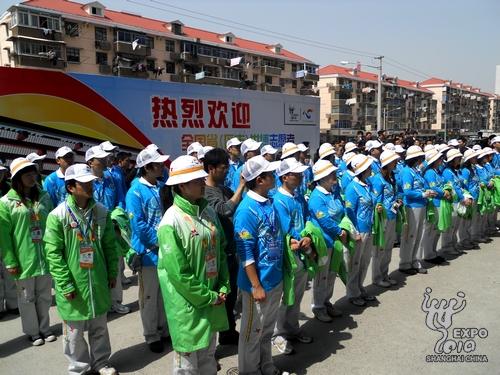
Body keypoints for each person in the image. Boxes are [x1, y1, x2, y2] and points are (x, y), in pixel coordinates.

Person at [157, 155, 230, 374]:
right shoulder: (171, 222)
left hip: (212, 297)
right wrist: (208, 296)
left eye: (201, 178)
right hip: (188, 305)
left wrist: (223, 284)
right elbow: (179, 274)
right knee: (187, 365)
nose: (202, 183)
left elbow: (221, 251)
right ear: (181, 186)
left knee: (208, 356)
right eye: (196, 180)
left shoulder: (207, 212)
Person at [44, 164, 118, 375]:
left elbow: (110, 246)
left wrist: (112, 272)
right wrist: (64, 283)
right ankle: (79, 368)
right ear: (70, 187)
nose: (89, 186)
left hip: (97, 279)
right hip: (73, 282)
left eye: (90, 182)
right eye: (83, 183)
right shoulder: (57, 216)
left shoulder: (102, 211)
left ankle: (101, 363)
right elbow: (54, 254)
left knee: (100, 327)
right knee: (74, 332)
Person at [233, 155, 287, 375]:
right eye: (270, 174)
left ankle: (267, 367)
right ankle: (249, 371)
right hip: (258, 283)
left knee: (266, 331)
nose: (275, 176)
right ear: (260, 180)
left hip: (274, 277)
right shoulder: (246, 210)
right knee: (251, 333)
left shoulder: (269, 201)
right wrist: (255, 285)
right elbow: (245, 252)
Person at [0, 158, 55, 346]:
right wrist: (10, 260)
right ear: (17, 178)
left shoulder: (45, 196)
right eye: (27, 175)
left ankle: (45, 328)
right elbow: (4, 237)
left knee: (45, 296)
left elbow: (53, 225)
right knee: (26, 298)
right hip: (23, 260)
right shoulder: (6, 202)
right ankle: (33, 332)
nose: (32, 178)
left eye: (34, 174)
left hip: (46, 257)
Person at [125, 146, 170, 352]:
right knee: (149, 296)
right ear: (148, 167)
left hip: (164, 250)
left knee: (164, 293)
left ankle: (164, 329)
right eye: (159, 164)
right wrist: (159, 241)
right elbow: (138, 225)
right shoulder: (135, 191)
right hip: (148, 253)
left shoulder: (160, 186)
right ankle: (151, 334)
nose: (162, 167)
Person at [203, 148, 245, 346]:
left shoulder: (223, 188)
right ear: (211, 168)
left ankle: (228, 332)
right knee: (219, 297)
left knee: (231, 295)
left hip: (230, 249)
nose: (227, 171)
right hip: (217, 252)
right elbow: (225, 209)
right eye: (223, 167)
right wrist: (241, 187)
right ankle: (211, 346)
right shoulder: (206, 191)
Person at [271, 157, 312, 355]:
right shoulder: (279, 200)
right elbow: (284, 228)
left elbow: (304, 219)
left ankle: (292, 329)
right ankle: (278, 334)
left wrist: (307, 237)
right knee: (284, 297)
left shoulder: (297, 196)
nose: (301, 176)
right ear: (285, 177)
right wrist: (299, 239)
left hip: (301, 251)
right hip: (289, 253)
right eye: (297, 174)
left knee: (297, 293)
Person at [86, 145, 129, 314]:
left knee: (116, 265)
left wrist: (117, 216)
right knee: (96, 267)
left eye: (105, 158)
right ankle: (100, 301)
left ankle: (116, 301)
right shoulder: (85, 182)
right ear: (90, 162)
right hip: (93, 231)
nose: (105, 161)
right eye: (100, 159)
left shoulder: (112, 178)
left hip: (113, 228)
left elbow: (121, 200)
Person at [308, 160, 347, 318]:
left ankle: (326, 302)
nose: (334, 176)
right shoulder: (316, 197)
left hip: (335, 241)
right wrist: (339, 230)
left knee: (331, 273)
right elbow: (324, 220)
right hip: (324, 242)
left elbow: (341, 210)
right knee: (321, 276)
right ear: (322, 177)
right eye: (331, 174)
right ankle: (318, 307)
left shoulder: (331, 193)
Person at [344, 154, 379, 306]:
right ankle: (352, 293)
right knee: (355, 263)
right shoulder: (352, 187)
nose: (371, 169)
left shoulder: (368, 184)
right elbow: (349, 213)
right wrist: (354, 232)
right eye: (369, 167)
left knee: (365, 261)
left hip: (369, 228)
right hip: (359, 231)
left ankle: (360, 287)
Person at [400, 146, 437, 275]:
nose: (421, 160)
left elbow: (420, 186)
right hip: (412, 207)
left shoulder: (414, 171)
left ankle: (415, 260)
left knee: (418, 235)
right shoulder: (406, 172)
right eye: (420, 158)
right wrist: (422, 194)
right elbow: (407, 192)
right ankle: (405, 263)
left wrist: (426, 192)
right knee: (410, 235)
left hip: (421, 206)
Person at [370, 150, 402, 287]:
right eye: (394, 161)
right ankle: (377, 277)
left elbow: (396, 193)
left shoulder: (392, 177)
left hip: (393, 215)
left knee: (388, 247)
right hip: (383, 218)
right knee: (380, 249)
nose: (396, 163)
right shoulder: (378, 179)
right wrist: (382, 207)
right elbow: (376, 200)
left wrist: (398, 201)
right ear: (387, 163)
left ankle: (385, 274)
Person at [421, 149, 449, 264]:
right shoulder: (430, 173)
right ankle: (428, 254)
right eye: (439, 159)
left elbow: (442, 184)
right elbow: (434, 187)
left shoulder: (436, 171)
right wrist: (444, 193)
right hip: (434, 203)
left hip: (440, 202)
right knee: (431, 229)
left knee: (436, 229)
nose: (441, 160)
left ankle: (433, 252)